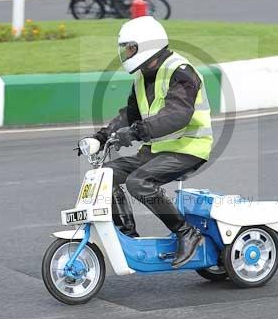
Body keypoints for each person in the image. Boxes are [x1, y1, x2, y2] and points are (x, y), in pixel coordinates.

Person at [79, 16, 214, 268]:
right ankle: (127, 234)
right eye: (125, 49)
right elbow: (129, 114)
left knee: (138, 182)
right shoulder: (143, 77)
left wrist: (138, 131)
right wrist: (102, 136)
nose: (126, 53)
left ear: (147, 46)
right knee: (105, 175)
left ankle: (186, 232)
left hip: (188, 147)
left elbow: (178, 115)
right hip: (157, 149)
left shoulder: (182, 72)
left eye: (130, 48)